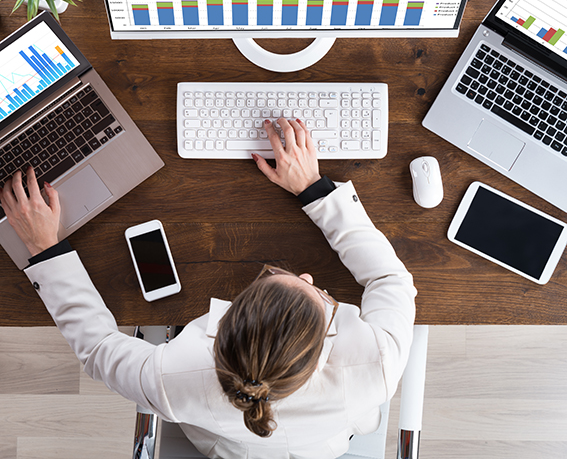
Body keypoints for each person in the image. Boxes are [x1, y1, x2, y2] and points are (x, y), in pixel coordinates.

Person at [0, 118, 417, 459]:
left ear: (229, 316)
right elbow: (390, 280)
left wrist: (44, 247)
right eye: (317, 292)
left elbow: (97, 350)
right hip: (325, 444)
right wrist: (314, 189)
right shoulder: (378, 362)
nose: (309, 278)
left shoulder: (174, 377)